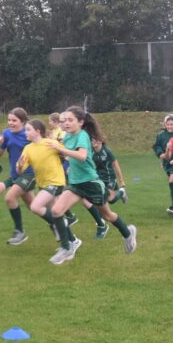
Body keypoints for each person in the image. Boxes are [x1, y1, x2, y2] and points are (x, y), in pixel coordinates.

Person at [48, 107, 136, 264]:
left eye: (70, 120)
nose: (66, 123)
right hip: (75, 183)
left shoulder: (82, 136)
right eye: (64, 120)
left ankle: (128, 233)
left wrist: (61, 150)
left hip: (91, 183)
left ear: (81, 122)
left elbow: (82, 156)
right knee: (56, 211)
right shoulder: (67, 137)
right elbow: (69, 155)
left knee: (107, 215)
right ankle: (68, 247)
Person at [15, 119, 66, 240]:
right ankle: (69, 239)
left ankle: (60, 227)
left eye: (28, 130)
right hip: (42, 184)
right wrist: (20, 166)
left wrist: (60, 150)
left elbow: (66, 154)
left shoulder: (50, 143)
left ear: (37, 131)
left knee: (35, 207)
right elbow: (19, 171)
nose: (25, 132)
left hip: (56, 182)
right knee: (55, 212)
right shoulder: (28, 148)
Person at [0, 108, 35, 245]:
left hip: (30, 173)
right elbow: (0, 154)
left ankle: (19, 232)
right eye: (9, 120)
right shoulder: (6, 133)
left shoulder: (29, 134)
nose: (10, 123)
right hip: (16, 174)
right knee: (34, 207)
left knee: (9, 197)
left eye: (14, 120)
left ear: (23, 121)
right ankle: (58, 223)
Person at [154, 115, 173, 211]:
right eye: (167, 124)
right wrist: (161, 154)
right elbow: (157, 146)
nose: (169, 126)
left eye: (172, 124)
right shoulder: (161, 135)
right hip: (167, 163)